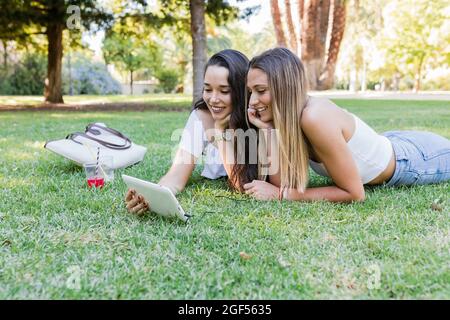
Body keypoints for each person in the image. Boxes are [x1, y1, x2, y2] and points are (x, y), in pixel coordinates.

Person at [216, 47, 450, 202]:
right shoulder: (288, 119)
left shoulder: (314, 117)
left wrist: (281, 195)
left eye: (261, 91)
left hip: (413, 160)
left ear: (284, 88)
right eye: (250, 92)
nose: (253, 101)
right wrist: (268, 131)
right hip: (391, 140)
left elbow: (355, 193)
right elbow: (285, 182)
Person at [125, 49, 256, 215]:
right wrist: (150, 197)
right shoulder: (200, 117)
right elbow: (176, 177)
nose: (213, 99)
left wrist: (219, 131)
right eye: (208, 89)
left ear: (240, 91)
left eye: (224, 91)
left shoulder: (255, 117)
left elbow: (241, 184)